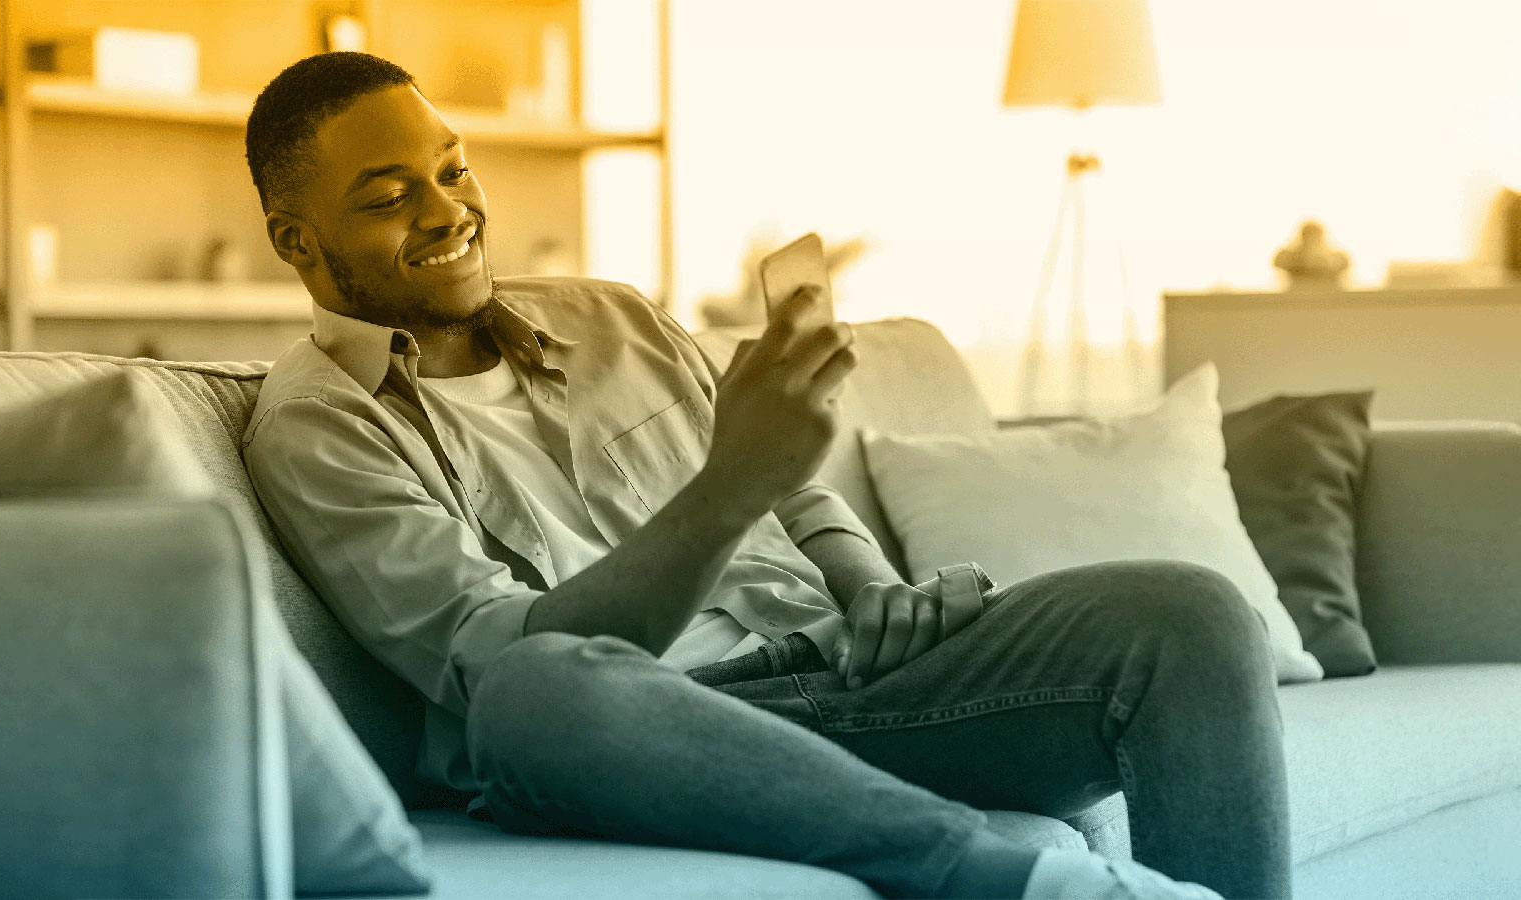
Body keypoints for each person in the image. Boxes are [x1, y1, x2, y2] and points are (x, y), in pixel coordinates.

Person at [240, 52, 1290, 900]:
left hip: (845, 681)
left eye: (453, 168)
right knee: (534, 687)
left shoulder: (614, 318)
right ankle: (1013, 882)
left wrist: (870, 587)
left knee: (1189, 613)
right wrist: (726, 489)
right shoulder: (316, 426)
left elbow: (789, 486)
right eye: (387, 196)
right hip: (645, 735)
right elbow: (497, 666)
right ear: (297, 239)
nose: (446, 210)